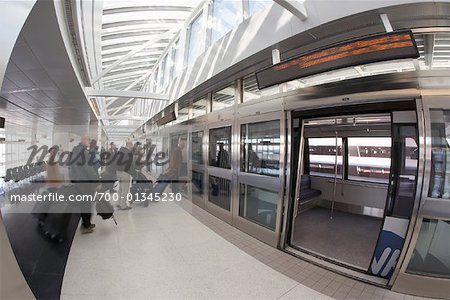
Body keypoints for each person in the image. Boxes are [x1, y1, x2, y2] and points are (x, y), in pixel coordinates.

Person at [69, 135, 101, 233]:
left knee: (84, 203)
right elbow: (88, 169)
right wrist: (97, 181)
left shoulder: (75, 150)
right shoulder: (84, 152)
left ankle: (86, 223)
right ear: (84, 140)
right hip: (85, 182)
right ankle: (86, 226)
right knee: (87, 204)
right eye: (89, 139)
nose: (90, 141)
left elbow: (71, 167)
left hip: (79, 182)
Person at [116, 141, 134, 210]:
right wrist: (134, 174)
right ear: (129, 145)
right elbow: (130, 165)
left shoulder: (120, 151)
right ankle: (123, 205)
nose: (132, 147)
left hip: (118, 172)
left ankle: (118, 203)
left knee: (120, 188)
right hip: (124, 173)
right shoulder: (128, 153)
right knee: (125, 190)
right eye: (132, 145)